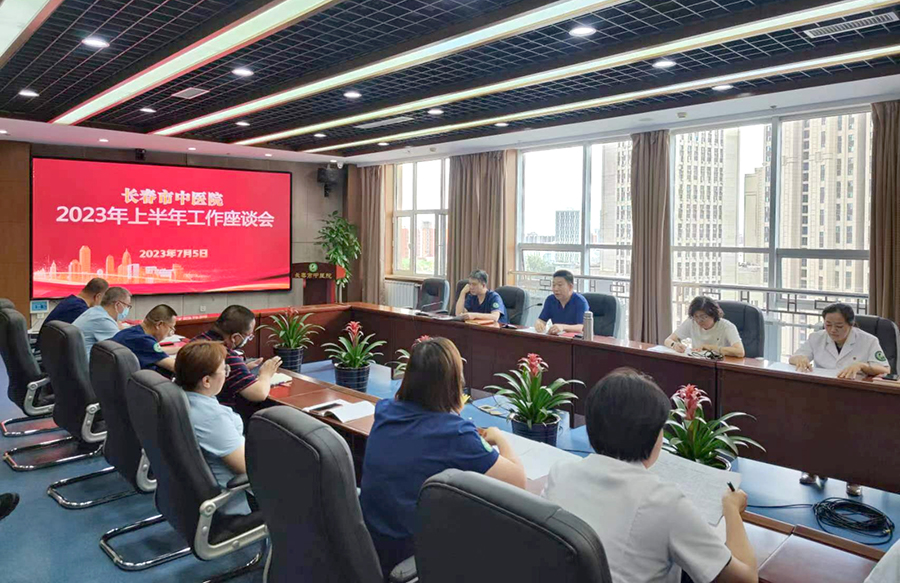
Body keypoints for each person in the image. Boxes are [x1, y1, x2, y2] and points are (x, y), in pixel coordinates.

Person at [543, 369, 758, 583]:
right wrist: (732, 509)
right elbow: (746, 579)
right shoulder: (664, 502)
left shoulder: (561, 473)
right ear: (654, 435)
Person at [360, 337, 526, 575]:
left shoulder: (385, 410)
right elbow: (518, 482)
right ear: (454, 383)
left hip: (372, 547)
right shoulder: (455, 434)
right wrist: (500, 438)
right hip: (413, 559)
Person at [788, 303, 889, 495]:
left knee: (853, 436)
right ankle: (813, 468)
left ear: (851, 324)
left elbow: (885, 369)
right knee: (814, 429)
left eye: (839, 326)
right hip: (822, 394)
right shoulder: (816, 337)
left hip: (856, 397)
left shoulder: (868, 340)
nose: (833, 330)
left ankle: (854, 478)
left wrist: (862, 366)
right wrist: (799, 359)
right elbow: (795, 356)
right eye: (828, 324)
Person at [176, 341, 250, 515]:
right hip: (233, 500)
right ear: (207, 381)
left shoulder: (180, 398)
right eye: (224, 370)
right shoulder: (212, 418)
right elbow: (248, 468)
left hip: (189, 493)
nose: (226, 374)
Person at [189, 305, 282, 419]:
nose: (249, 339)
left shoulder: (196, 342)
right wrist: (266, 374)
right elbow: (259, 393)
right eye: (249, 336)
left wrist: (243, 368)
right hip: (218, 415)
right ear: (235, 337)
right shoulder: (225, 355)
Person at [664, 296, 746, 357]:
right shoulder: (691, 322)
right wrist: (674, 345)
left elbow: (740, 352)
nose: (699, 320)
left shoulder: (727, 326)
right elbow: (668, 340)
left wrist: (710, 347)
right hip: (698, 363)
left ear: (713, 314)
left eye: (703, 317)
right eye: (696, 316)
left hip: (720, 365)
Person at [112, 304, 178, 372]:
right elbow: (175, 367)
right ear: (159, 325)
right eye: (171, 327)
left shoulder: (131, 332)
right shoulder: (144, 341)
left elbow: (155, 351)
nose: (171, 331)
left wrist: (180, 349)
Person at [72, 286, 131, 361]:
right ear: (117, 304)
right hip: (87, 364)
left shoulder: (94, 311)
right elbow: (121, 348)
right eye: (127, 306)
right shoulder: (102, 320)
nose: (127, 309)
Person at [534, 269, 589, 335]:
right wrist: (539, 323)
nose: (555, 289)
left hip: (576, 339)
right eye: (554, 285)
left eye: (560, 285)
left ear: (570, 287)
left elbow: (581, 327)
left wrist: (563, 327)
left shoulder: (580, 301)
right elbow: (542, 320)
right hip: (558, 338)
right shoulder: (550, 300)